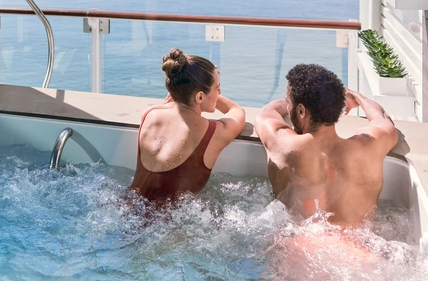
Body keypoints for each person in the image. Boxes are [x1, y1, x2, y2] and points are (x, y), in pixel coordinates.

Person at [255, 63, 398, 226]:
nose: (288, 107)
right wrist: (356, 96)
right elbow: (383, 118)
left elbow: (266, 112)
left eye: (289, 103)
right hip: (360, 246)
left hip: (297, 242)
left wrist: (298, 98)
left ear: (301, 111)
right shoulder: (368, 147)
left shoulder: (284, 144)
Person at [129, 48, 246, 203]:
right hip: (167, 226)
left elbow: (178, 100)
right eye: (218, 89)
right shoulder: (213, 133)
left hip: (126, 207)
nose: (219, 93)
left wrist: (198, 84)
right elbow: (236, 110)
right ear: (199, 96)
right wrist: (204, 84)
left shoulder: (150, 114)